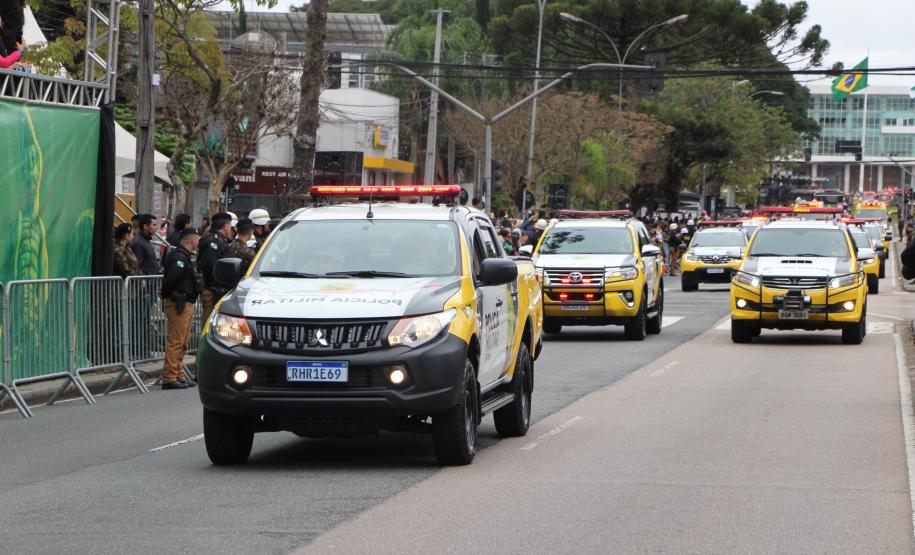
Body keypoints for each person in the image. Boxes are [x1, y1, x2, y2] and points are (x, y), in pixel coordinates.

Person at [160, 228, 203, 390]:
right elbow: (171, 280)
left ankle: (179, 375)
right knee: (176, 341)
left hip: (186, 303)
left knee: (183, 342)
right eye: (197, 239)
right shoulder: (179, 257)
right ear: (192, 241)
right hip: (179, 303)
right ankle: (169, 377)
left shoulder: (184, 256)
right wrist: (165, 294)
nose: (198, 242)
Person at [197, 212, 234, 323]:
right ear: (225, 226)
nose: (231, 228)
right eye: (230, 225)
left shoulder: (220, 240)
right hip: (213, 290)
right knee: (209, 324)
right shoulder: (214, 241)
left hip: (218, 290)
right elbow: (209, 265)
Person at [227, 218, 257, 282]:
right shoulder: (249, 253)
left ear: (237, 231)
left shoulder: (228, 246)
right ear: (250, 233)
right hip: (242, 283)